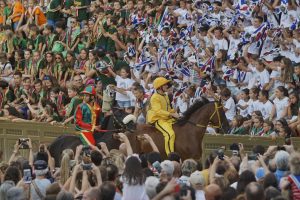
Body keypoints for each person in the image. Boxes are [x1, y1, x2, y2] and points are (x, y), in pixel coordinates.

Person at [147, 77, 180, 155]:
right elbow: (158, 111)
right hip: (158, 119)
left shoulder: (165, 95)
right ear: (159, 87)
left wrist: (175, 111)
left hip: (167, 118)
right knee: (170, 134)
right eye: (164, 85)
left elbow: (167, 109)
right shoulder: (154, 97)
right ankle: (170, 155)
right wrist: (172, 114)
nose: (167, 86)